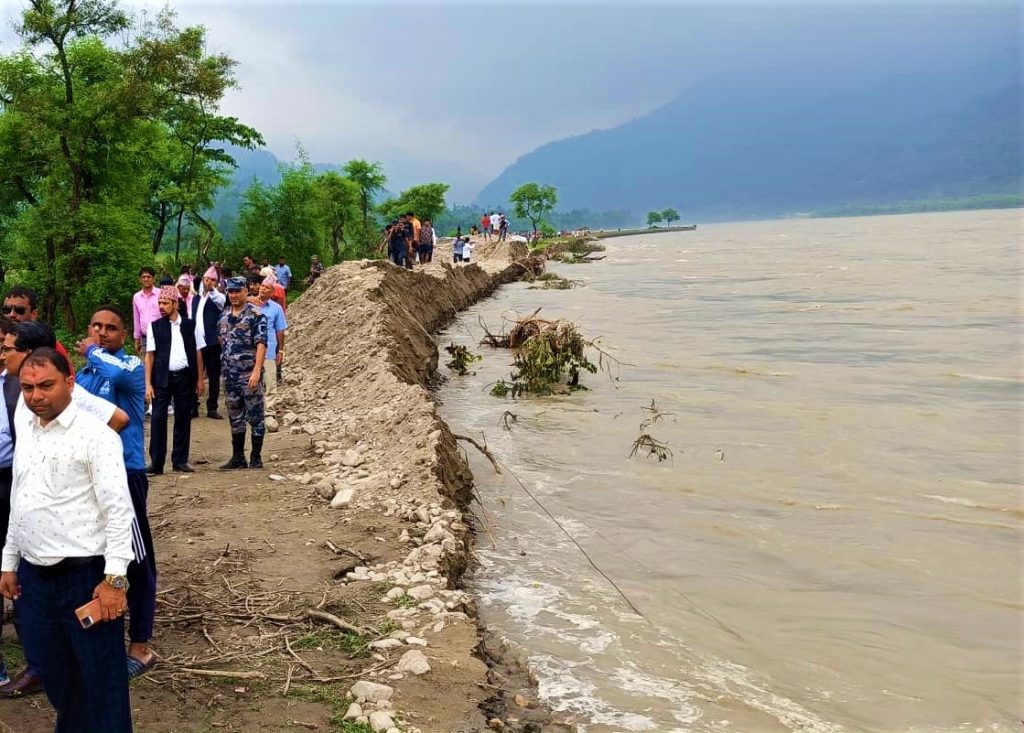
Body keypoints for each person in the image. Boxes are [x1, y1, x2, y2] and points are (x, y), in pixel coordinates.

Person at [0, 347, 136, 733]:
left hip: (85, 578)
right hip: (35, 580)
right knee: (58, 680)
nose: (35, 396)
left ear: (70, 383)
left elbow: (118, 512)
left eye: (45, 386)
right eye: (27, 388)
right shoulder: (25, 425)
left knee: (103, 682)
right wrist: (9, 561)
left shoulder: (96, 437)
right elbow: (20, 498)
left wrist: (114, 582)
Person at [75, 306, 159, 679]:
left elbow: (112, 370)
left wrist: (92, 349)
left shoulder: (129, 367)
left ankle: (140, 647)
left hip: (125, 474)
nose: (102, 332)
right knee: (98, 558)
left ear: (124, 334)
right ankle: (101, 639)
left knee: (136, 560)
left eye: (111, 328)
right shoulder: (82, 376)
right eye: (96, 326)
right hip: (90, 477)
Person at [144, 285, 203, 475]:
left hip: (184, 376)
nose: (161, 306)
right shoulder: (155, 326)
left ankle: (180, 461)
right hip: (162, 377)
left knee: (183, 418)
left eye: (165, 303)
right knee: (158, 418)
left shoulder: (189, 325)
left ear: (175, 304)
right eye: (160, 303)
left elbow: (197, 351)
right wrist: (148, 383)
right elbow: (149, 355)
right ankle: (157, 462)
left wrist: (200, 379)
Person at [217, 277, 267, 470]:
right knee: (235, 416)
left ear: (246, 291)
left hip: (249, 375)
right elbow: (222, 342)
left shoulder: (255, 315)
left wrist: (256, 371)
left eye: (238, 291)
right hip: (230, 376)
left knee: (255, 416)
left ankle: (256, 456)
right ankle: (238, 457)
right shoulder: (223, 316)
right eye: (231, 291)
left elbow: (261, 344)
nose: (234, 295)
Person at [191, 266, 226, 419]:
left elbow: (220, 301)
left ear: (217, 282)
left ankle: (212, 407)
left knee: (213, 376)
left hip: (212, 343)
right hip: (197, 342)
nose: (209, 282)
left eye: (212, 280)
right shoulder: (196, 297)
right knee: (194, 375)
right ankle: (193, 406)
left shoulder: (219, 297)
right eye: (207, 279)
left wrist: (212, 290)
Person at [251, 277, 287, 417]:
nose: (263, 288)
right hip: (251, 351)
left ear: (272, 292)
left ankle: (269, 412)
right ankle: (253, 411)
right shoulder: (249, 305)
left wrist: (281, 350)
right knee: (252, 383)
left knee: (270, 383)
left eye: (267, 287)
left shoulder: (276, 308)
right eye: (262, 286)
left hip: (269, 351)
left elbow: (280, 331)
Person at [132, 267, 161, 356]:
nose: (146, 279)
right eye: (143, 277)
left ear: (153, 278)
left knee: (162, 363)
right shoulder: (136, 297)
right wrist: (137, 338)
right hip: (145, 338)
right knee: (147, 366)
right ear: (140, 279)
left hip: (161, 335)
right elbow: (136, 318)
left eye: (148, 277)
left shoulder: (161, 294)